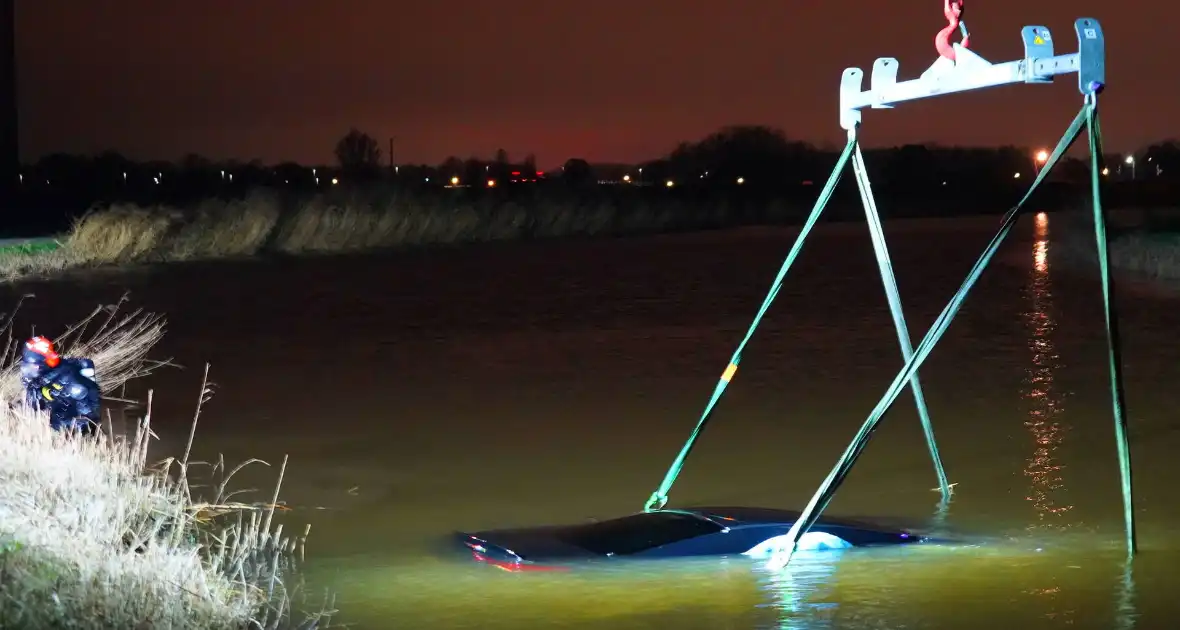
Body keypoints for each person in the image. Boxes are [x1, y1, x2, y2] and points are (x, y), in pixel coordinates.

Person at [19, 336, 102, 435]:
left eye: (32, 364)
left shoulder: (67, 377)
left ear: (43, 363)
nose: (27, 369)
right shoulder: (37, 380)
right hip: (53, 424)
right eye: (26, 364)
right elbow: (32, 406)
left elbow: (87, 417)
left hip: (73, 432)